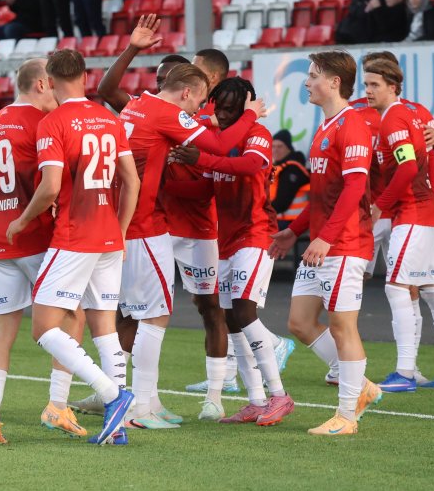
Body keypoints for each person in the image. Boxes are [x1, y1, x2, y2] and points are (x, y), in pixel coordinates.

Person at [117, 63, 281, 429]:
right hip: (145, 225)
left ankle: (149, 401)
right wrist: (250, 115)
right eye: (201, 102)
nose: (200, 111)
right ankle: (137, 408)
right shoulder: (167, 113)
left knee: (148, 313)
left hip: (140, 223)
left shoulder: (136, 105)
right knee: (153, 316)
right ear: (188, 92)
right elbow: (220, 145)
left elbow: (232, 166)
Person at [5, 48, 139, 446]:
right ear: (85, 76)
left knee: (44, 327)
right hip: (109, 236)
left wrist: (22, 220)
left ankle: (113, 395)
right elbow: (131, 180)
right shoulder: (110, 119)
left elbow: (49, 187)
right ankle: (118, 427)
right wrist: (121, 230)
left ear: (49, 81)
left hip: (74, 236)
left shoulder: (53, 122)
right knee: (105, 329)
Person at [169, 78, 296, 426]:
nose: (222, 115)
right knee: (232, 321)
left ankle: (279, 395)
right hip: (226, 241)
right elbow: (206, 188)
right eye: (219, 108)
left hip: (255, 234)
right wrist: (162, 182)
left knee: (244, 310)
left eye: (230, 109)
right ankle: (255, 400)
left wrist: (203, 158)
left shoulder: (258, 134)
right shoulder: (220, 141)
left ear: (245, 107)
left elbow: (250, 165)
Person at [0, 59, 85, 444]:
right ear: (40, 84)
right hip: (34, 237)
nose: (58, 91)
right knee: (72, 315)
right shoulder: (42, 123)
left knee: (3, 330)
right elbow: (53, 184)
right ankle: (57, 405)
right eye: (53, 84)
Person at [268, 51, 380, 436]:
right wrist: (294, 231)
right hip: (323, 242)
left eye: (314, 75)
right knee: (299, 322)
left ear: (334, 82)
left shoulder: (352, 125)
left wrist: (326, 238)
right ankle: (361, 385)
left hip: (344, 245)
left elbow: (354, 188)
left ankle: (347, 416)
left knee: (342, 327)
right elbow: (321, 196)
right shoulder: (326, 125)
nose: (307, 82)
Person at [364, 58, 434, 393]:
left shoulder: (396, 117)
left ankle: (405, 373)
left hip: (410, 212)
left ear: (393, 86)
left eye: (374, 84)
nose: (367, 91)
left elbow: (410, 167)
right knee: (432, 289)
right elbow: (425, 160)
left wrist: (379, 206)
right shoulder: (410, 113)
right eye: (366, 84)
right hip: (420, 213)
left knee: (397, 287)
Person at [269, 128, 309, 227]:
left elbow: (282, 203)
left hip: (290, 223)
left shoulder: (292, 169)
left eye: (280, 146)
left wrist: (259, 213)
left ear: (288, 148)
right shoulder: (279, 166)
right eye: (273, 146)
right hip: (280, 218)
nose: (275, 150)